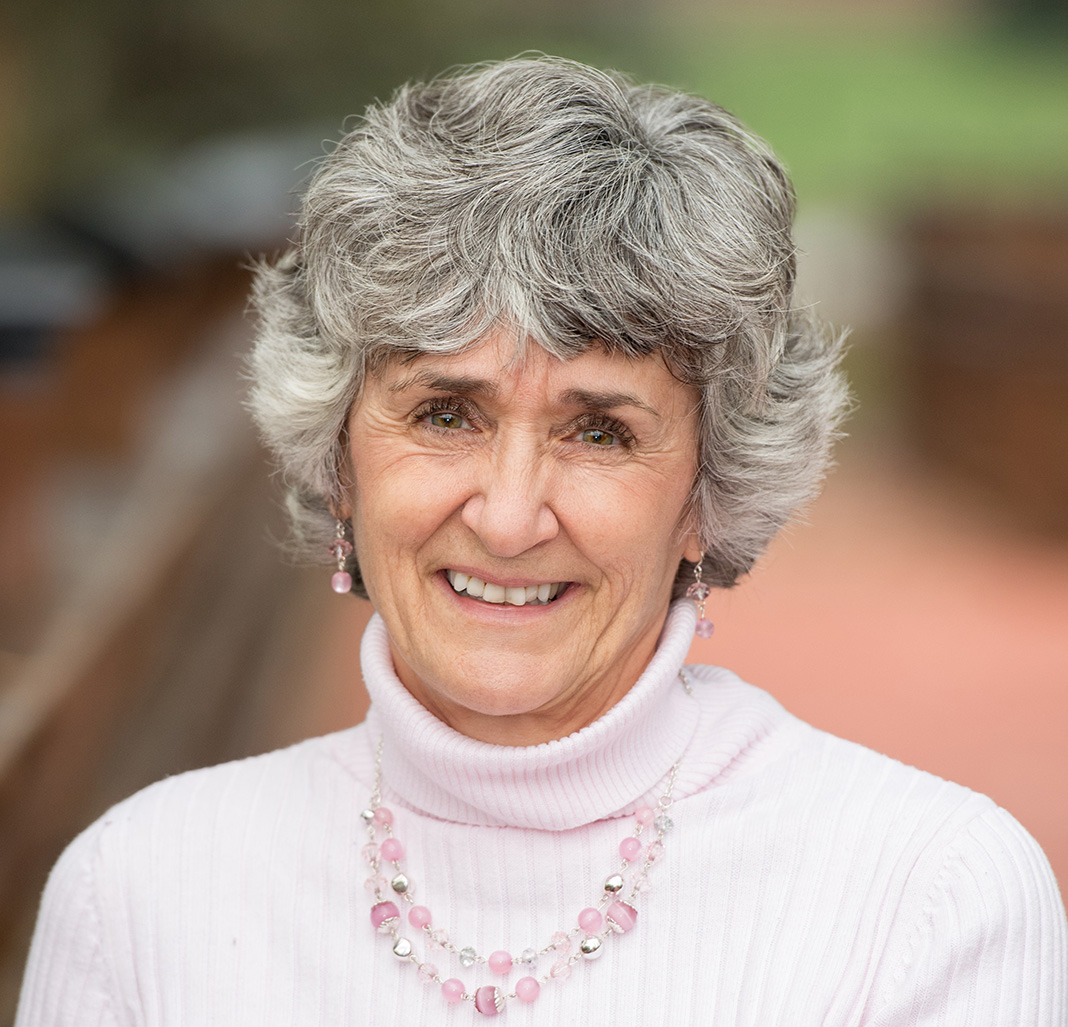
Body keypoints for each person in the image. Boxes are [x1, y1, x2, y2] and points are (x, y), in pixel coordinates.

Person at [16, 56, 1067, 1025]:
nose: (511, 515)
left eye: (599, 429)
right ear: (338, 456)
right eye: (443, 413)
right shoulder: (137, 896)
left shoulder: (933, 898)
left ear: (708, 489)